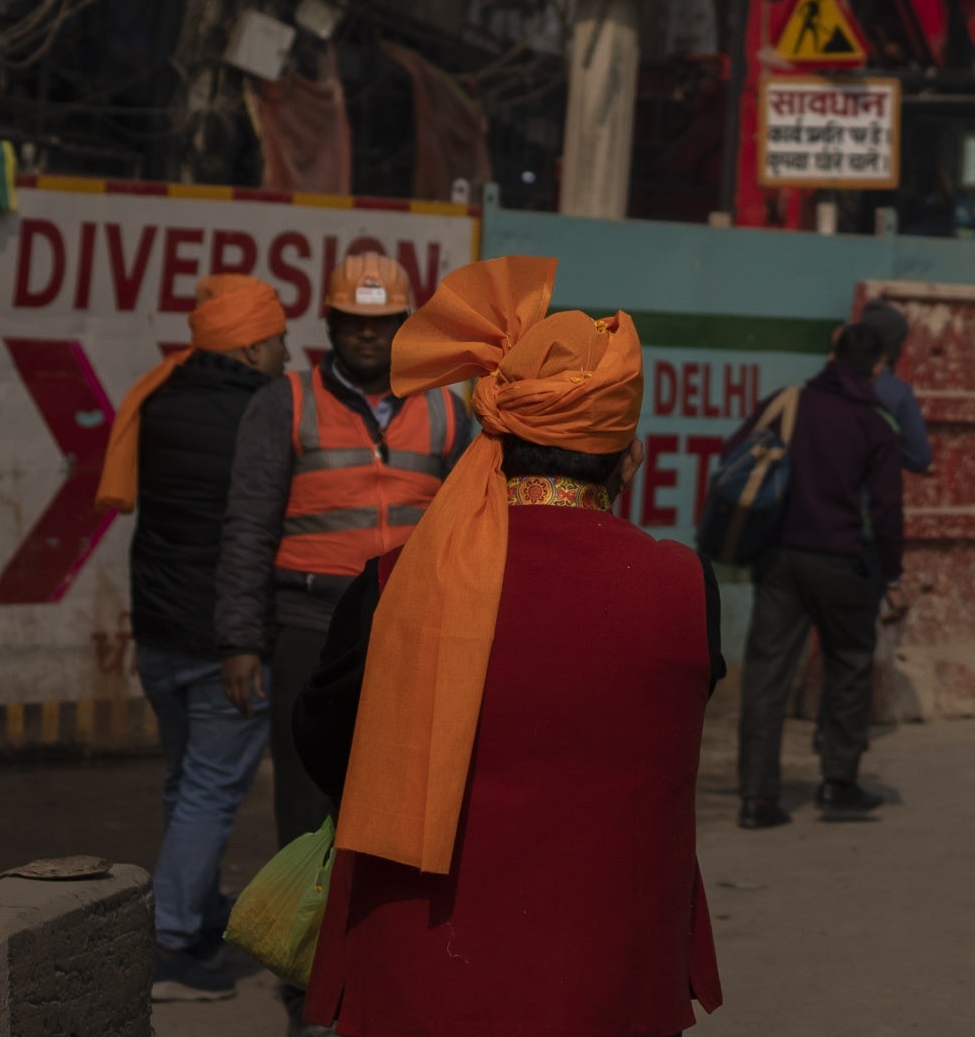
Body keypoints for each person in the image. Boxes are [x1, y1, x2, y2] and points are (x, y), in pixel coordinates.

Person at [294, 255, 721, 1035]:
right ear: (628, 455)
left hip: (426, 958)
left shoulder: (397, 581)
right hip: (607, 965)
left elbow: (324, 737)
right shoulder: (686, 588)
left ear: (499, 433)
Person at [218, 249, 475, 852]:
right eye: (353, 319)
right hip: (311, 627)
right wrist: (238, 642)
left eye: (382, 319)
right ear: (329, 323)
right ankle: (305, 940)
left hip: (411, 627)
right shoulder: (285, 401)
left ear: (405, 325)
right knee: (307, 805)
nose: (367, 331)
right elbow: (247, 528)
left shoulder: (445, 408)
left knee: (403, 802)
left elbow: (471, 529)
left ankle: (377, 940)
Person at [95, 273, 289, 1003]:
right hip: (224, 639)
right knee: (211, 789)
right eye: (279, 340)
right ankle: (172, 940)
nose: (287, 353)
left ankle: (199, 910)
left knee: (186, 780)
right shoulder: (264, 412)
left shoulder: (162, 398)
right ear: (252, 343)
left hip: (159, 632)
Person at [735, 303, 909, 828]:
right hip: (840, 562)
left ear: (832, 356)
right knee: (850, 666)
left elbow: (739, 457)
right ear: (876, 366)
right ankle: (839, 783)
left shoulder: (788, 403)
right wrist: (892, 572)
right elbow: (885, 511)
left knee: (766, 676)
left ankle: (758, 799)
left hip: (780, 558)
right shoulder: (875, 425)